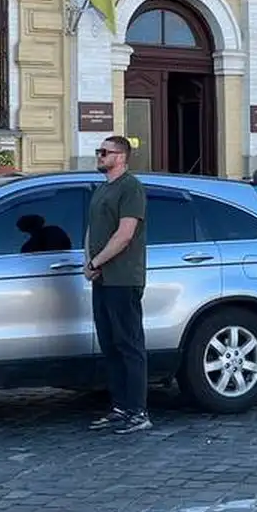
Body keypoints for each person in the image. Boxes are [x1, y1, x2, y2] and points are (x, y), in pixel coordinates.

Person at [85, 135, 151, 434]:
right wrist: (90, 262)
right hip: (102, 279)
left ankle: (138, 411)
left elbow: (125, 235)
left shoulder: (130, 187)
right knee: (110, 344)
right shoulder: (102, 189)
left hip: (123, 278)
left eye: (105, 152)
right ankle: (120, 406)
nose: (99, 156)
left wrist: (97, 262)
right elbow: (92, 229)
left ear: (121, 157)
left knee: (129, 345)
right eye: (99, 151)